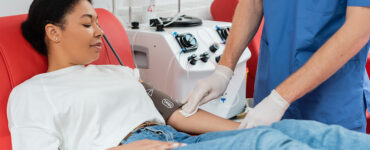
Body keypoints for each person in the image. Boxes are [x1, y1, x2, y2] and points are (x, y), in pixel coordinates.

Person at [7, 0, 370, 150]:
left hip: (178, 138)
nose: (100, 32)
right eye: (88, 24)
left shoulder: (117, 72)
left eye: (100, 22)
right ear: (53, 32)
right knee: (272, 147)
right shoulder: (32, 94)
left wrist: (251, 126)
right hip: (144, 147)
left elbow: (175, 113)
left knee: (308, 133)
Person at [181, 0, 370, 132]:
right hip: (269, 94)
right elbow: (252, 4)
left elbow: (359, 28)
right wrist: (224, 70)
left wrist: (280, 98)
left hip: (329, 104)